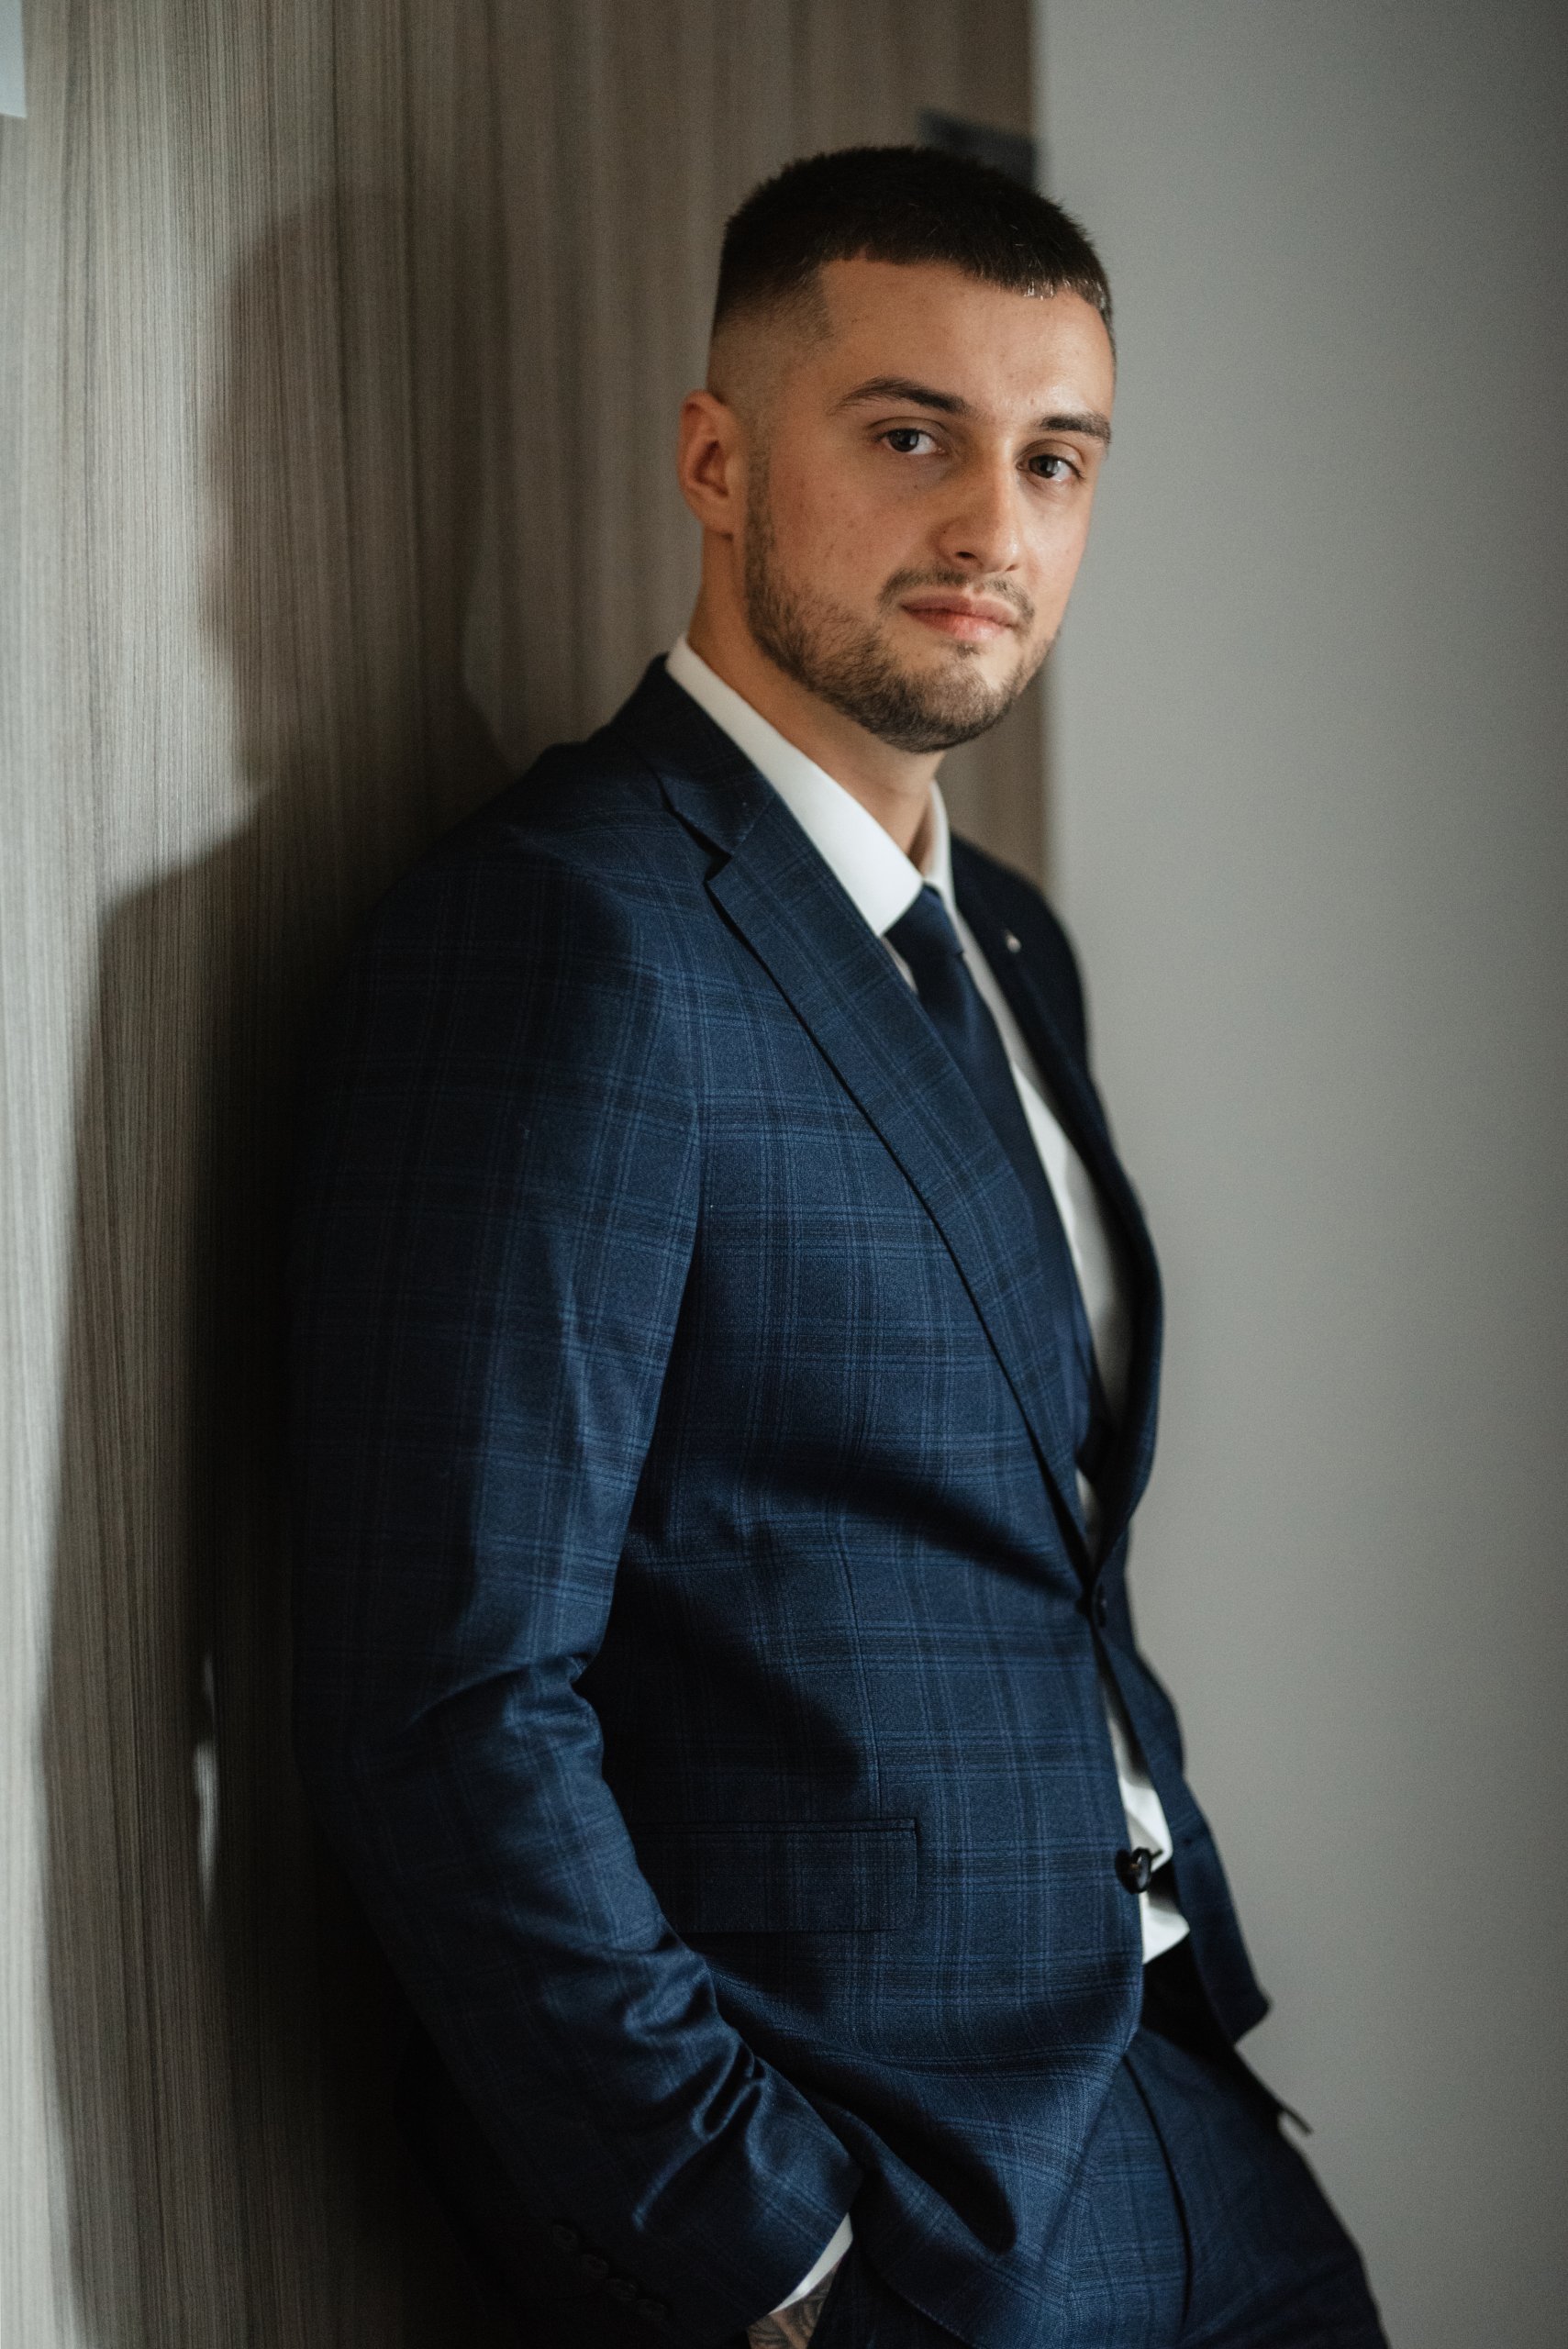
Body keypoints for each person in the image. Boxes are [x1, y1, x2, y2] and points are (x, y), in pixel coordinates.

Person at [287, 147, 1387, 2349]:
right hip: (865, 2178)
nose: (995, 527)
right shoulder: (569, 937)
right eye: (912, 437)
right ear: (717, 458)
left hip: (1167, 2107)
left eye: (1054, 457)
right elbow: (454, 1699)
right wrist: (763, 2241)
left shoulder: (1007, 942)